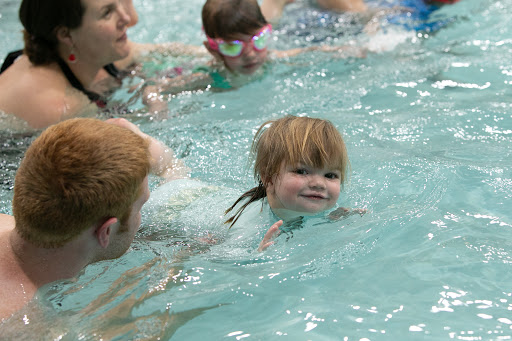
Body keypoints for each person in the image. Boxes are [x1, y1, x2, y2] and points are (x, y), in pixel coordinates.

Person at [0, 117, 188, 320]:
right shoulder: (29, 326)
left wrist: (172, 170)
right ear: (105, 231)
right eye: (140, 207)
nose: (140, 218)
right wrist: (174, 271)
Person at [142, 0, 364, 113]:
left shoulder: (269, 58)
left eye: (258, 41)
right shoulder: (209, 77)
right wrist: (158, 110)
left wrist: (346, 51)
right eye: (233, 47)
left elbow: (309, 54)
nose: (250, 54)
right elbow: (155, 90)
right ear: (213, 49)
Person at [224, 116, 364, 251]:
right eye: (302, 171)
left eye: (330, 175)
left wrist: (330, 218)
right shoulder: (248, 225)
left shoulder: (308, 202)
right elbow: (220, 259)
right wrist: (257, 256)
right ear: (269, 178)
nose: (319, 184)